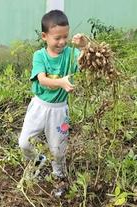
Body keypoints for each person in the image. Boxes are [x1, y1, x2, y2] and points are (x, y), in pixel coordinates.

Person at [18, 10, 88, 184]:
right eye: (57, 38)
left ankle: (59, 174)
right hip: (39, 106)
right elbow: (41, 80)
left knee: (58, 149)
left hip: (59, 111)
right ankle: (37, 160)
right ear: (44, 36)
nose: (62, 42)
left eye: (65, 37)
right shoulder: (39, 56)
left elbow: (88, 60)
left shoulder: (70, 54)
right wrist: (61, 82)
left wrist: (85, 46)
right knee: (24, 143)